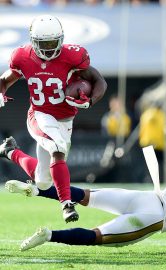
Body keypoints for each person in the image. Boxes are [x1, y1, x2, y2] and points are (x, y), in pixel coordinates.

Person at [5, 156, 166, 253]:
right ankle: (50, 235)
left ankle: (37, 190)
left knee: (84, 195)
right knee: (97, 236)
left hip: (147, 197)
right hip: (155, 217)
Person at [0, 14, 107, 223]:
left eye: (53, 42)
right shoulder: (22, 57)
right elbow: (4, 79)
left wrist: (90, 101)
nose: (49, 48)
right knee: (57, 148)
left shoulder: (73, 56)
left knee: (42, 182)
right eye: (44, 43)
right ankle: (66, 204)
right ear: (33, 41)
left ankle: (9, 151)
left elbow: (99, 81)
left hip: (65, 119)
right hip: (39, 115)